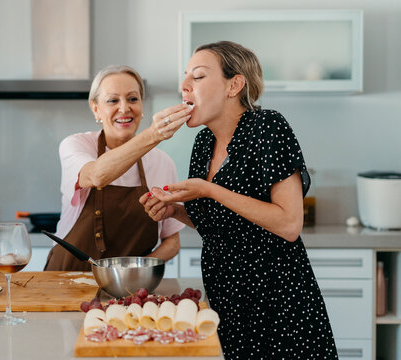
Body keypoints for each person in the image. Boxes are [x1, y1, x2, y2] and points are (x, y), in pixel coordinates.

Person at [140, 41, 338, 358]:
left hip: (276, 301)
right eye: (185, 76)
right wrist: (175, 210)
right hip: (226, 297)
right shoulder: (203, 142)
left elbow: (289, 224)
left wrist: (208, 190)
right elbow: (221, 226)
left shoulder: (267, 127)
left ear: (234, 84)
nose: (184, 85)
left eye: (199, 76)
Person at [44, 65, 190, 271]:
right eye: (113, 100)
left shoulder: (162, 163)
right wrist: (154, 134)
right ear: (96, 108)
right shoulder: (76, 145)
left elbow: (172, 242)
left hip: (129, 289)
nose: (124, 108)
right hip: (66, 279)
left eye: (133, 99)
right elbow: (96, 175)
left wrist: (135, 271)